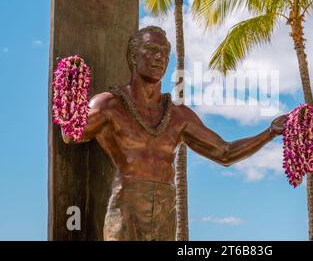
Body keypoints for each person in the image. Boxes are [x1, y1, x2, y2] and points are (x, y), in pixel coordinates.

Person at [62, 26, 287, 241]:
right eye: (151, 50)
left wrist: (269, 132)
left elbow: (224, 153)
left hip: (166, 211)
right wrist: (71, 86)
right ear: (133, 57)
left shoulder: (179, 115)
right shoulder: (110, 105)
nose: (160, 57)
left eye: (165, 53)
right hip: (127, 207)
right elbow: (71, 134)